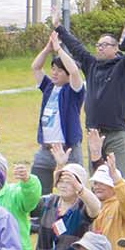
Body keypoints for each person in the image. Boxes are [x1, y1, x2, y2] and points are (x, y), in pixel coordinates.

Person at [50, 11, 125, 175]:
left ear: (116, 48)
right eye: (98, 45)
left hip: (116, 132)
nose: (100, 48)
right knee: (97, 178)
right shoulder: (92, 65)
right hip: (94, 133)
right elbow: (76, 47)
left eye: (105, 45)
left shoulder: (123, 67)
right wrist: (58, 26)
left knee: (119, 177)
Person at [28, 34, 88, 179]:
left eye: (59, 70)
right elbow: (36, 67)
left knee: (72, 186)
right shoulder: (49, 87)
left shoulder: (73, 91)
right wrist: (48, 49)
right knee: (39, 188)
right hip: (46, 148)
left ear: (67, 75)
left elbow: (74, 71)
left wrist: (59, 49)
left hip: (68, 149)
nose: (54, 73)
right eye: (53, 69)